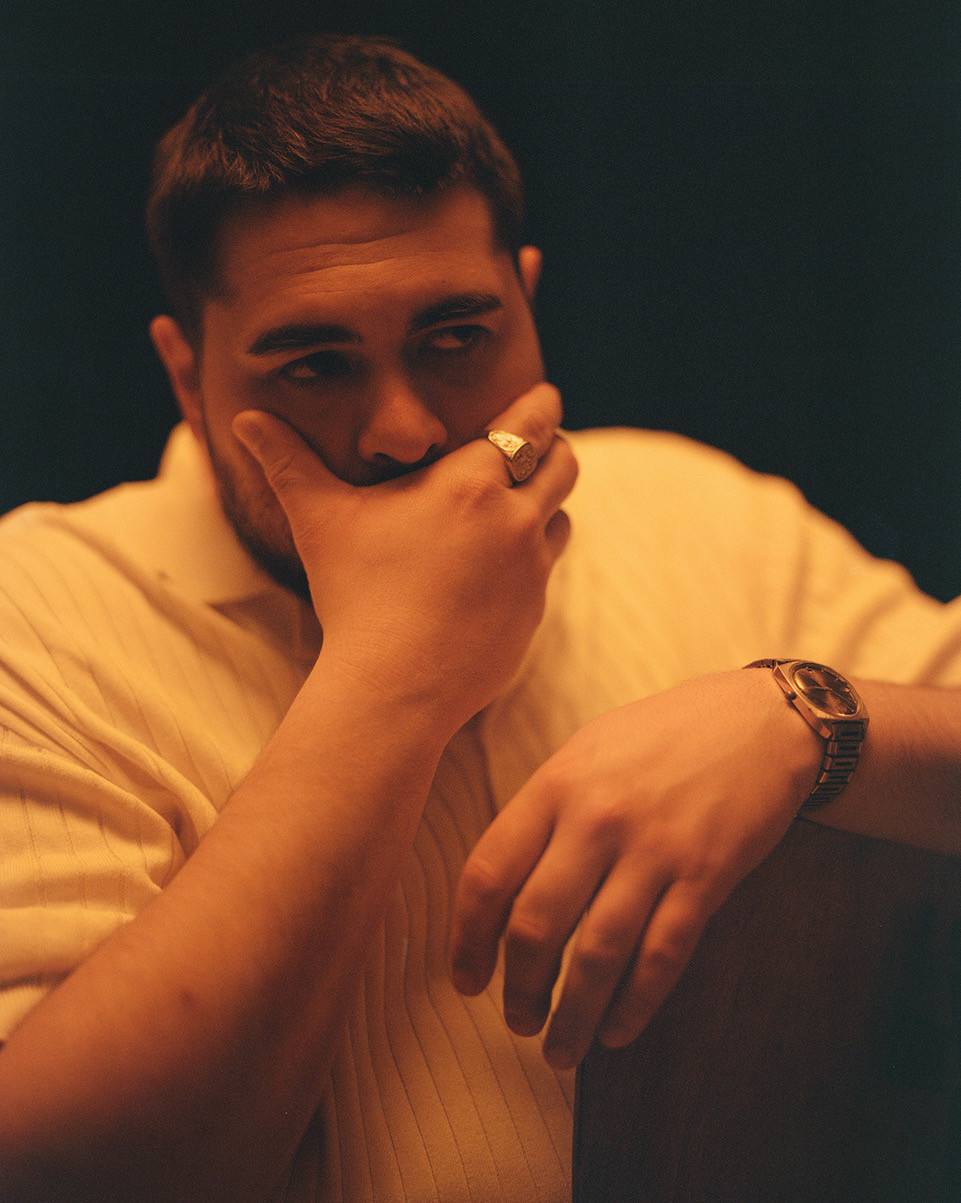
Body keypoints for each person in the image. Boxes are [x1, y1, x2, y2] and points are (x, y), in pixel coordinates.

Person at [0, 33, 959, 1201]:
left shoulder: (698, 509)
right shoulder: (35, 613)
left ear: (528, 303)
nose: (403, 431)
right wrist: (395, 671)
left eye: (457, 339)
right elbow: (52, 1172)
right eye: (313, 366)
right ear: (186, 378)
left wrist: (802, 720)